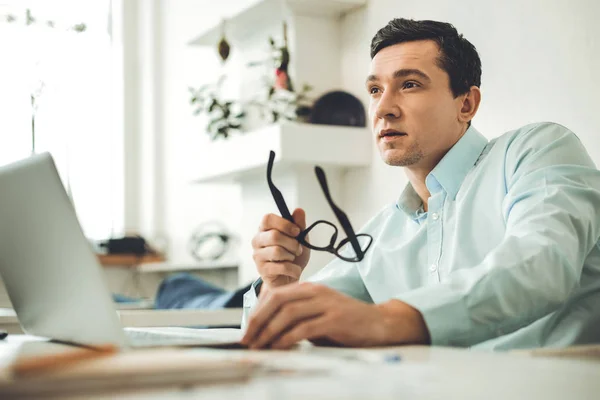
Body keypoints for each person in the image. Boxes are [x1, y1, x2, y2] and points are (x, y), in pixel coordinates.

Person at [240, 18, 600, 350]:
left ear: (467, 104)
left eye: (409, 84)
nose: (383, 109)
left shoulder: (537, 151)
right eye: (375, 90)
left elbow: (541, 267)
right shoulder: (381, 233)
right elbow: (298, 323)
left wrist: (387, 320)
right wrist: (280, 285)